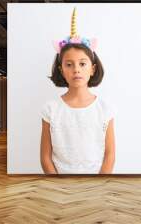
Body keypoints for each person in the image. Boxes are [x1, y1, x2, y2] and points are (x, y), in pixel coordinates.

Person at [40, 8, 115, 174]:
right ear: (61, 70)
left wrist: (100, 184)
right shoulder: (50, 109)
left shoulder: (104, 109)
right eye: (69, 64)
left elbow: (110, 155)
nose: (76, 70)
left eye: (82, 64)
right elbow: (45, 156)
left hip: (96, 186)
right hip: (61, 189)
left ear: (93, 69)